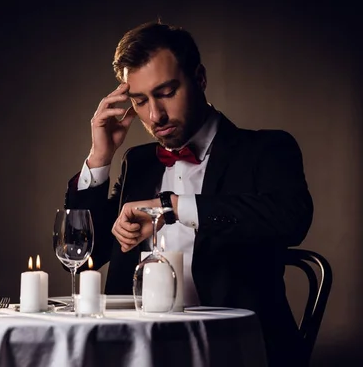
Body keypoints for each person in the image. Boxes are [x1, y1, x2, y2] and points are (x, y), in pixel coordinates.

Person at [63, 21, 313, 366]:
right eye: (140, 101)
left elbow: (290, 218)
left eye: (166, 93)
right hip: (138, 350)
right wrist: (100, 156)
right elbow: (83, 249)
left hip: (235, 349)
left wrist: (174, 206)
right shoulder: (138, 162)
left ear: (200, 78)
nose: (155, 115)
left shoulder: (266, 149)